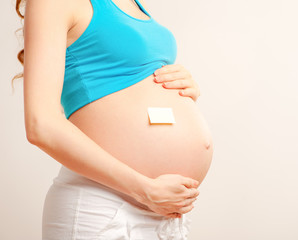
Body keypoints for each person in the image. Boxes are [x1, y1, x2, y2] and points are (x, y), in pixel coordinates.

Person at [12, 0, 214, 239]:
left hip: (163, 213)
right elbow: (41, 125)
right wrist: (144, 190)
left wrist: (184, 91)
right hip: (102, 206)